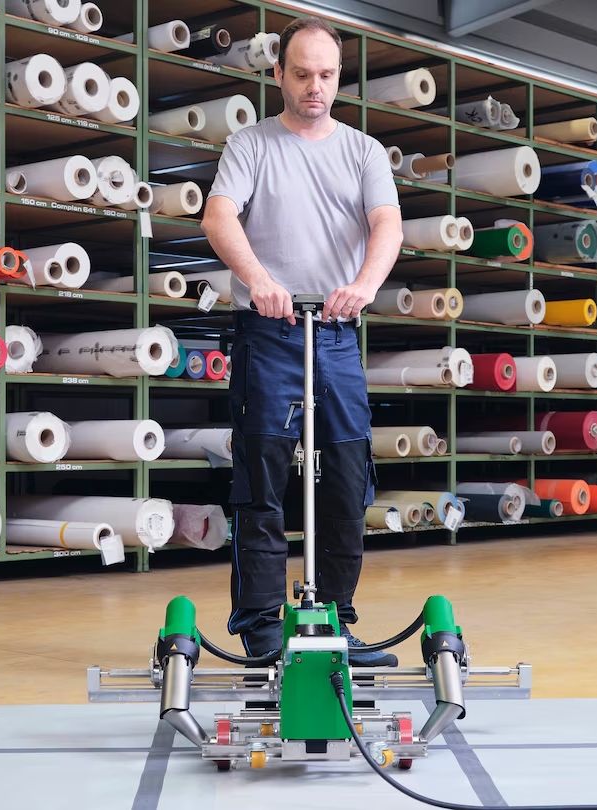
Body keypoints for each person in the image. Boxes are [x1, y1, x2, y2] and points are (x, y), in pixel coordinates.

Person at [201, 15, 403, 666]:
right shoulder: (251, 145)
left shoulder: (363, 152)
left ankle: (338, 622)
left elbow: (387, 225)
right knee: (259, 480)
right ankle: (261, 630)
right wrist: (260, 281)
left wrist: (366, 286)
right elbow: (219, 215)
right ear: (279, 74)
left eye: (326, 75)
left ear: (338, 77)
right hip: (271, 332)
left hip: (337, 334)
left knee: (347, 480)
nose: (315, 86)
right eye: (302, 73)